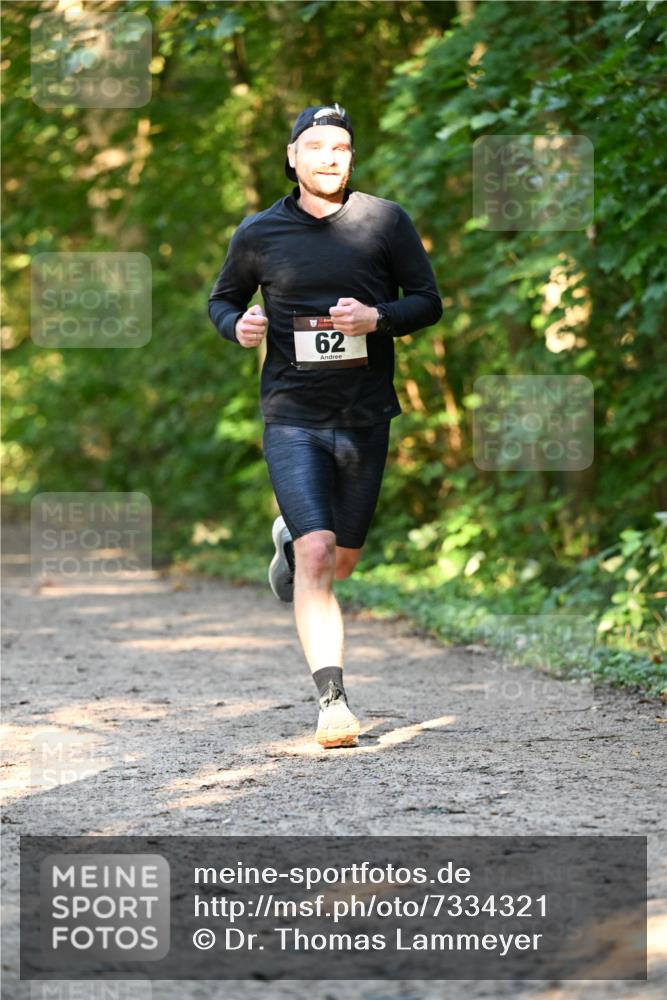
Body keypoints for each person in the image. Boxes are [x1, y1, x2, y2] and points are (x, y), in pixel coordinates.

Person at [208, 103, 442, 749]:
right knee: (318, 553)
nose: (328, 157)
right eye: (314, 146)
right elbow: (223, 299)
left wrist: (378, 318)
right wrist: (239, 325)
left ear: (350, 158)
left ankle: (289, 539)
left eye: (339, 147)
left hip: (364, 415)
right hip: (292, 414)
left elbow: (428, 301)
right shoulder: (260, 232)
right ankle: (332, 703)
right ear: (292, 157)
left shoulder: (383, 221)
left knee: (339, 561)